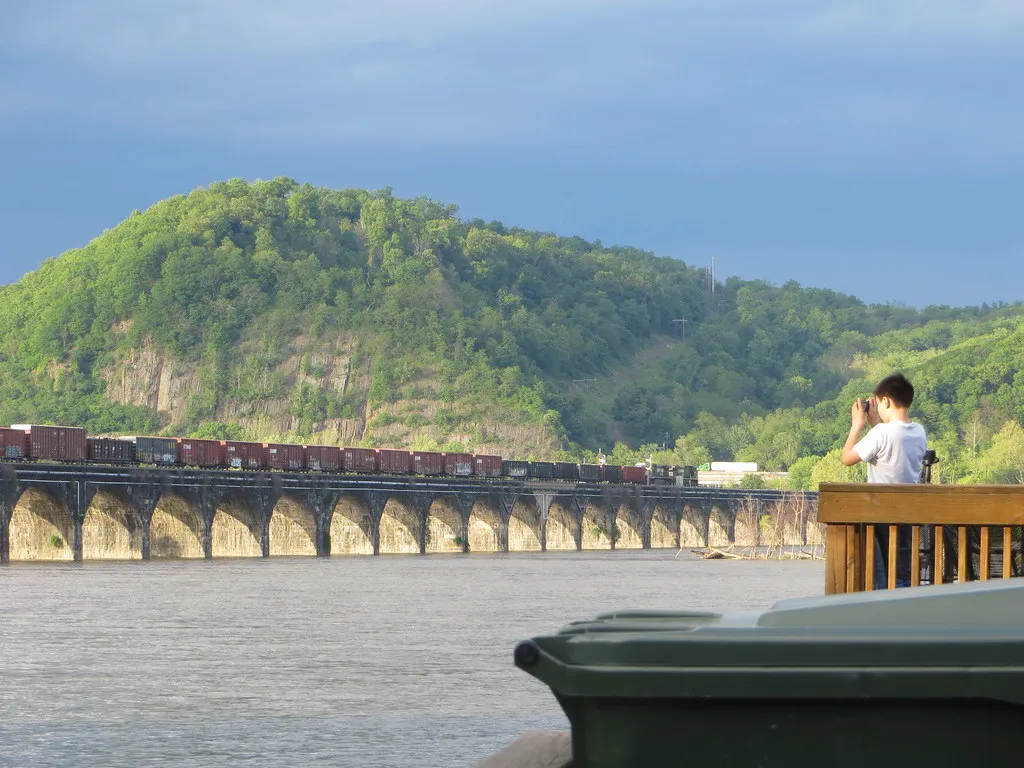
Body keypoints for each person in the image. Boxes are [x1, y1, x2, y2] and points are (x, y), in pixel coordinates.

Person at [840, 372, 928, 587]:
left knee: (881, 571)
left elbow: (846, 458)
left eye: (878, 403)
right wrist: (876, 424)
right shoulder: (919, 431)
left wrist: (857, 425)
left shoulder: (880, 433)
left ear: (886, 401)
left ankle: (884, 603)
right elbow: (892, 447)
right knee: (901, 568)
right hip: (908, 514)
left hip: (881, 515)